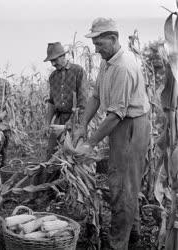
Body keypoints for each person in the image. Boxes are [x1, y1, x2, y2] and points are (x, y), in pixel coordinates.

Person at [74, 18, 151, 250]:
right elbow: (96, 96)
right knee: (125, 182)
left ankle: (118, 244)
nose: (96, 49)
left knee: (122, 186)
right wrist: (82, 124)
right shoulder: (107, 62)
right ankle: (133, 234)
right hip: (121, 124)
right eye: (94, 44)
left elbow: (116, 114)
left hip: (131, 126)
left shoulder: (123, 67)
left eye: (100, 44)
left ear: (114, 39)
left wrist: (89, 143)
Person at [44, 42, 87, 160]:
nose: (52, 63)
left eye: (54, 59)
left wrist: (68, 126)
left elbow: (83, 103)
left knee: (72, 157)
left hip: (75, 120)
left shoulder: (78, 71)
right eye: (50, 61)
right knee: (51, 155)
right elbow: (52, 102)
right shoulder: (53, 77)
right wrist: (47, 123)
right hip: (59, 120)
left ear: (63, 56)